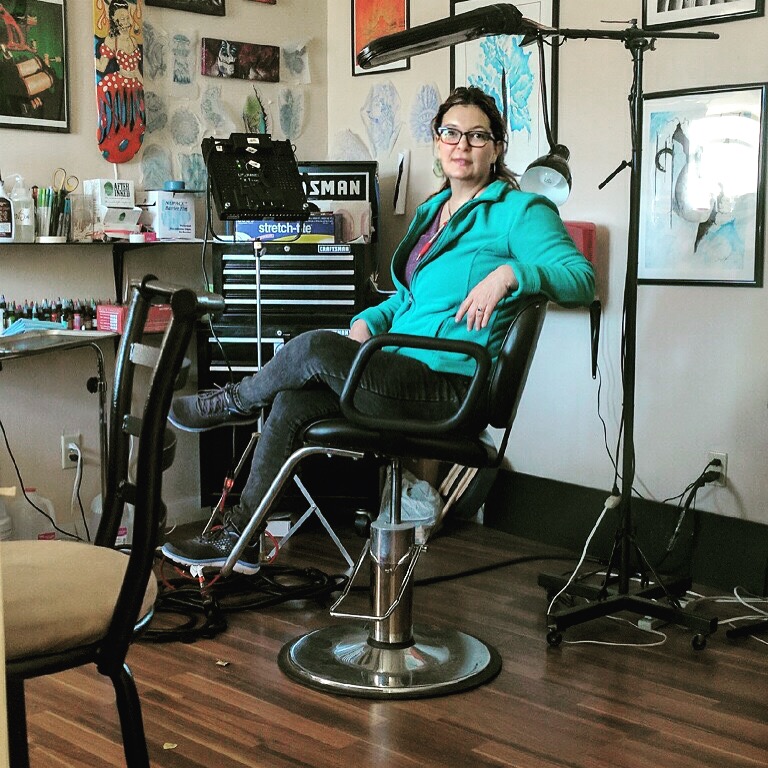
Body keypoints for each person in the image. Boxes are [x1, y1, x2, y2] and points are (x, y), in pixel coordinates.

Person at [161, 86, 595, 573]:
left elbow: (581, 279)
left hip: (450, 386)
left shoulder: (520, 212)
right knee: (292, 403)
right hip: (398, 369)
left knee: (312, 347)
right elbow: (411, 300)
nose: (462, 145)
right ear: (437, 141)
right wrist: (369, 320)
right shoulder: (434, 212)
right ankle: (238, 540)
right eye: (451, 133)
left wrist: (511, 274)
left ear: (497, 147)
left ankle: (231, 403)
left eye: (477, 136)